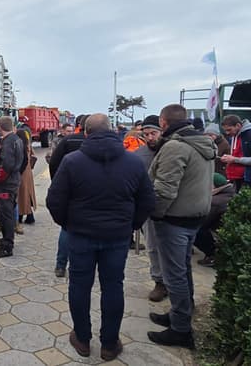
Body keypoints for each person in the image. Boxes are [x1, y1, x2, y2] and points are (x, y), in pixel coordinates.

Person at [47, 114, 155, 361]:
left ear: (86, 133)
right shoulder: (134, 162)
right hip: (116, 237)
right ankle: (109, 343)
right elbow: (148, 201)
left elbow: (54, 200)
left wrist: (68, 223)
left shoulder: (72, 162)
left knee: (79, 286)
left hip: (81, 235)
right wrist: (131, 225)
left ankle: (82, 339)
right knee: (113, 287)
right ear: (113, 132)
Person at [147, 104, 216, 349]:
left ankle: (180, 330)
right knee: (182, 268)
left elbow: (164, 189)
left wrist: (154, 214)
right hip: (194, 216)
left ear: (163, 123)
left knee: (174, 274)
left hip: (174, 219)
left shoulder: (175, 147)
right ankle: (181, 313)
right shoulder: (202, 142)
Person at [133, 115, 167, 302]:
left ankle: (175, 284)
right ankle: (159, 281)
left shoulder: (173, 150)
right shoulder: (138, 155)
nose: (150, 137)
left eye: (153, 133)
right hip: (149, 210)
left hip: (173, 209)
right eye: (146, 134)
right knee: (153, 247)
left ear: (161, 131)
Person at [48, 115, 87, 276]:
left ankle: (60, 265)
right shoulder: (102, 144)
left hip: (70, 191)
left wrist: (57, 184)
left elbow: (53, 163)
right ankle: (80, 265)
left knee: (67, 228)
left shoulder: (68, 141)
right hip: (92, 193)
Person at [0, 116, 25, 258]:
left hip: (5, 184)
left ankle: (7, 246)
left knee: (6, 214)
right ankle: (5, 238)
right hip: (13, 181)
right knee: (6, 212)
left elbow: (7, 165)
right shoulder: (17, 139)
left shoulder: (8, 142)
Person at [194, 173, 236, 267]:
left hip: (224, 231)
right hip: (232, 229)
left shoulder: (215, 201)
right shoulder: (231, 193)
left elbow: (203, 223)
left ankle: (213, 255)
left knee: (196, 230)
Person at [220, 115, 251, 191]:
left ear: (238, 125)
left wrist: (235, 159)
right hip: (237, 179)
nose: (227, 133)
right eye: (225, 130)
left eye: (229, 130)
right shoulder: (234, 136)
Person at [17, 124, 37, 225]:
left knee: (21, 195)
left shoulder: (21, 148)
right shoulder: (28, 146)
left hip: (22, 173)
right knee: (27, 194)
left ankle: (21, 216)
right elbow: (34, 156)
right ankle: (28, 216)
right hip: (28, 173)